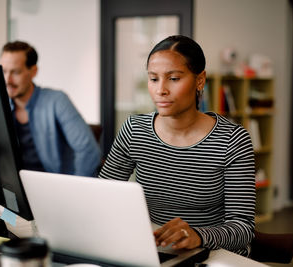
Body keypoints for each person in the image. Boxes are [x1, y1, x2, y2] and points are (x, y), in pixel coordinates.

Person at [99, 35, 256, 256]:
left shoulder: (232, 140)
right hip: (156, 250)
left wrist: (198, 235)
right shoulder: (135, 130)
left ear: (199, 80)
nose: (160, 90)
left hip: (213, 254)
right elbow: (104, 195)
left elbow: (243, 228)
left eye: (173, 79)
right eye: (154, 79)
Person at [1, 41, 101, 177]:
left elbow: (88, 150)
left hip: (54, 189)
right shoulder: (0, 105)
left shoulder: (57, 100)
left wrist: (75, 189)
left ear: (33, 71)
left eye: (16, 72)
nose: (8, 80)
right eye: (4, 71)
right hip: (16, 189)